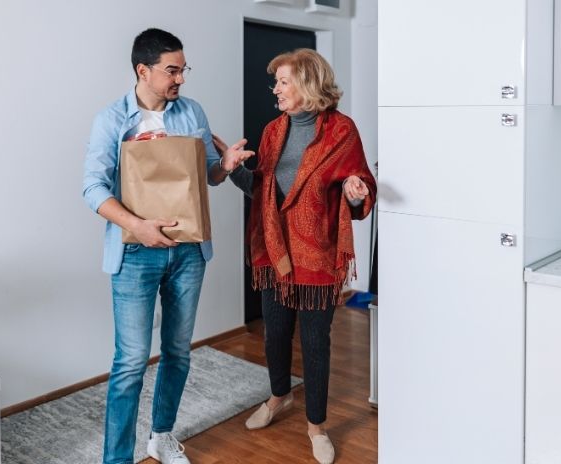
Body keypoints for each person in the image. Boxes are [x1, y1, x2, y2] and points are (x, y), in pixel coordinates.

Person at [82, 28, 253, 464]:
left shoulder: (192, 111)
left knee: (177, 351)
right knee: (130, 362)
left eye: (183, 69)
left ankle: (161, 437)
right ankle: (117, 459)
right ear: (143, 70)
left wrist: (225, 166)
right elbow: (92, 188)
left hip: (189, 251)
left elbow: (208, 176)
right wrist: (137, 226)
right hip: (135, 254)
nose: (181, 79)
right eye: (172, 71)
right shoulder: (111, 120)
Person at [215, 48, 376, 464]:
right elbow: (261, 189)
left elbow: (360, 187)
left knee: (315, 342)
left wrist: (355, 192)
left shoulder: (341, 131)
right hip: (273, 250)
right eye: (277, 82)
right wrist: (232, 169)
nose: (276, 89)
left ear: (307, 83)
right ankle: (279, 396)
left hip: (317, 254)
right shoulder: (273, 131)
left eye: (283, 81)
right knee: (275, 334)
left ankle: (317, 426)